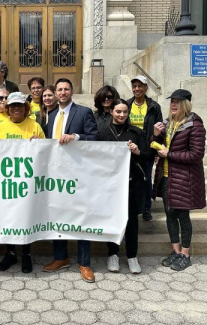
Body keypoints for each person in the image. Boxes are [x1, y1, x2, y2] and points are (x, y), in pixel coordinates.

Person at [41, 78, 99, 282]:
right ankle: (61, 257)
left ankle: (84, 263)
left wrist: (76, 137)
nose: (62, 92)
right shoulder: (51, 114)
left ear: (71, 91)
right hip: (56, 174)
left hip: (78, 173)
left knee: (81, 216)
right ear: (55, 93)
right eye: (59, 90)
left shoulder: (83, 112)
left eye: (66, 89)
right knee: (58, 215)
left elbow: (94, 138)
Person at [150, 89, 206, 272]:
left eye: (177, 102)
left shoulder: (194, 125)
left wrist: (170, 154)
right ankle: (175, 251)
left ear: (186, 105)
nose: (173, 105)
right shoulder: (168, 123)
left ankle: (185, 254)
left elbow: (196, 155)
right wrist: (156, 135)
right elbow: (156, 146)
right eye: (172, 101)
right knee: (170, 215)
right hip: (166, 177)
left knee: (183, 216)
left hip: (184, 179)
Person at [0, 93, 44, 273]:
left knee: (26, 216)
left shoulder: (35, 126)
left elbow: (47, 153)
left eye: (19, 106)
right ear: (8, 108)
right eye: (12, 106)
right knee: (8, 216)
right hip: (7, 181)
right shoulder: (1, 127)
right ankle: (11, 253)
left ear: (25, 108)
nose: (15, 109)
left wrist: (40, 144)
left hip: (28, 181)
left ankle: (26, 254)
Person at [99, 98, 148, 274]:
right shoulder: (103, 131)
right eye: (118, 111)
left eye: (125, 112)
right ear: (111, 111)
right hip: (110, 184)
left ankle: (132, 256)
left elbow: (148, 155)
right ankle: (113, 254)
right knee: (112, 218)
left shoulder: (135, 132)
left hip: (131, 183)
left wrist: (137, 151)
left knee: (132, 221)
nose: (121, 115)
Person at [129, 75, 164, 221]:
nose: (137, 89)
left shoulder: (154, 106)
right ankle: (132, 207)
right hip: (130, 148)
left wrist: (156, 150)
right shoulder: (126, 104)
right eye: (134, 86)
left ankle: (146, 209)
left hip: (147, 149)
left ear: (145, 88)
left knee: (146, 180)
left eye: (140, 86)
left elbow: (160, 129)